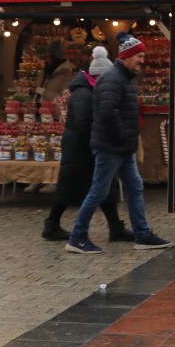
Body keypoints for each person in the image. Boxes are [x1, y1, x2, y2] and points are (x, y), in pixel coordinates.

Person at [66, 36, 171, 254]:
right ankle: (77, 236)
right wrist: (123, 137)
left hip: (122, 147)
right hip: (111, 146)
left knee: (135, 187)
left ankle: (142, 234)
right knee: (98, 191)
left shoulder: (124, 78)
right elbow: (107, 113)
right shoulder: (113, 79)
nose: (142, 60)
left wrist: (126, 141)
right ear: (127, 56)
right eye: (139, 56)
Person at [42, 46, 135, 242]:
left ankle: (115, 227)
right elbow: (85, 124)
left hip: (87, 144)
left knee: (105, 185)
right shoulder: (83, 93)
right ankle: (52, 225)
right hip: (80, 147)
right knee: (69, 186)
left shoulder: (91, 90)